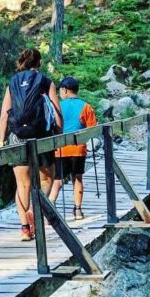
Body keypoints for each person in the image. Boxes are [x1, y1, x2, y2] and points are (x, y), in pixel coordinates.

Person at [0, 48, 62, 241]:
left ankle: (25, 228)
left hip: (17, 136)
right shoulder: (45, 81)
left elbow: (4, 115)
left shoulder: (12, 82)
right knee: (47, 178)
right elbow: (56, 111)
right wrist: (59, 134)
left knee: (22, 184)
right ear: (39, 63)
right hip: (41, 136)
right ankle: (36, 209)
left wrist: (1, 140)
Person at [49, 77, 98, 221]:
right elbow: (92, 129)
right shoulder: (86, 107)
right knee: (77, 178)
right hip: (78, 149)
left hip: (60, 149)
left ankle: (50, 207)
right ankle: (78, 210)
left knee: (57, 179)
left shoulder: (58, 107)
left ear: (64, 90)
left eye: (60, 91)